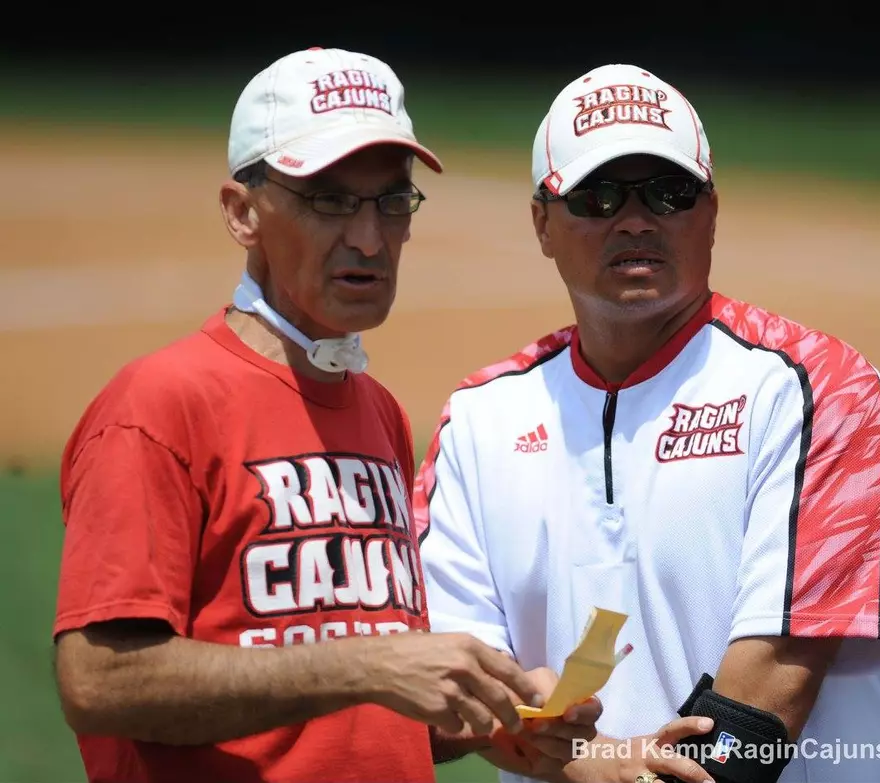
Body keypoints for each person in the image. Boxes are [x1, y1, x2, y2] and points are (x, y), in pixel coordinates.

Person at [51, 47, 599, 783]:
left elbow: (349, 712)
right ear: (242, 212)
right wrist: (369, 664)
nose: (370, 240)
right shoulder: (158, 406)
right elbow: (98, 681)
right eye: (330, 199)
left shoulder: (376, 411)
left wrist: (496, 716)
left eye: (391, 200)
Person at [415, 63, 880, 783]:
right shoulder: (479, 421)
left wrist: (601, 766)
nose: (637, 219)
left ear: (711, 210)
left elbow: (760, 717)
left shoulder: (815, 390)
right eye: (600, 194)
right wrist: (575, 752)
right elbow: (447, 700)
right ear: (541, 223)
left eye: (671, 192)